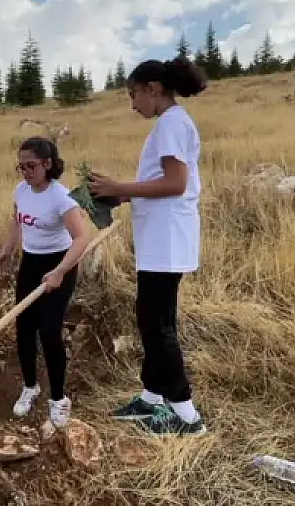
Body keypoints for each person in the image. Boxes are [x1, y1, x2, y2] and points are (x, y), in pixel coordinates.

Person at [87, 56, 208, 437]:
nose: (132, 104)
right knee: (154, 319)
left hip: (167, 241)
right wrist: (118, 195)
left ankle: (186, 415)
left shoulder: (171, 124)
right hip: (162, 240)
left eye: (133, 95)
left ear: (152, 89)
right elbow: (161, 182)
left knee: (156, 326)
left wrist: (121, 189)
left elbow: (175, 184)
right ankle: (152, 398)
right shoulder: (171, 123)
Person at [0, 137, 91, 428]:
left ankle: (59, 398)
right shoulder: (21, 190)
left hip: (60, 263)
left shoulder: (60, 197)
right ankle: (30, 385)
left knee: (49, 331)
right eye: (21, 166)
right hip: (31, 262)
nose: (25, 172)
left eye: (31, 165)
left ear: (47, 164)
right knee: (23, 327)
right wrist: (8, 249)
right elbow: (17, 220)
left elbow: (82, 238)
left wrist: (60, 271)